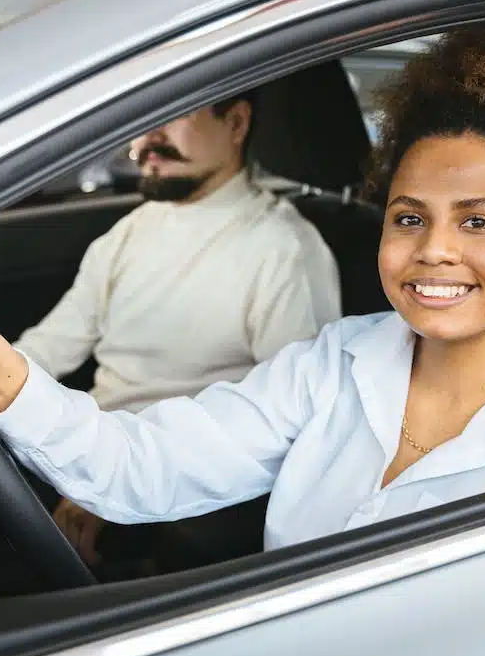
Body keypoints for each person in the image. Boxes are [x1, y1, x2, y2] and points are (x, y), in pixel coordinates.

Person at [0, 21, 485, 556]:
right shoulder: (335, 365)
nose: (433, 252)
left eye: (477, 223)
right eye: (408, 218)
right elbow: (138, 466)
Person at [17, 93, 341, 560]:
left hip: (172, 484)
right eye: (141, 116)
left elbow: (293, 421)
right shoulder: (132, 230)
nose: (150, 137)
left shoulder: (283, 248)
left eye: (172, 112)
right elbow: (51, 347)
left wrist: (118, 487)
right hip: (85, 450)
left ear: (236, 123)